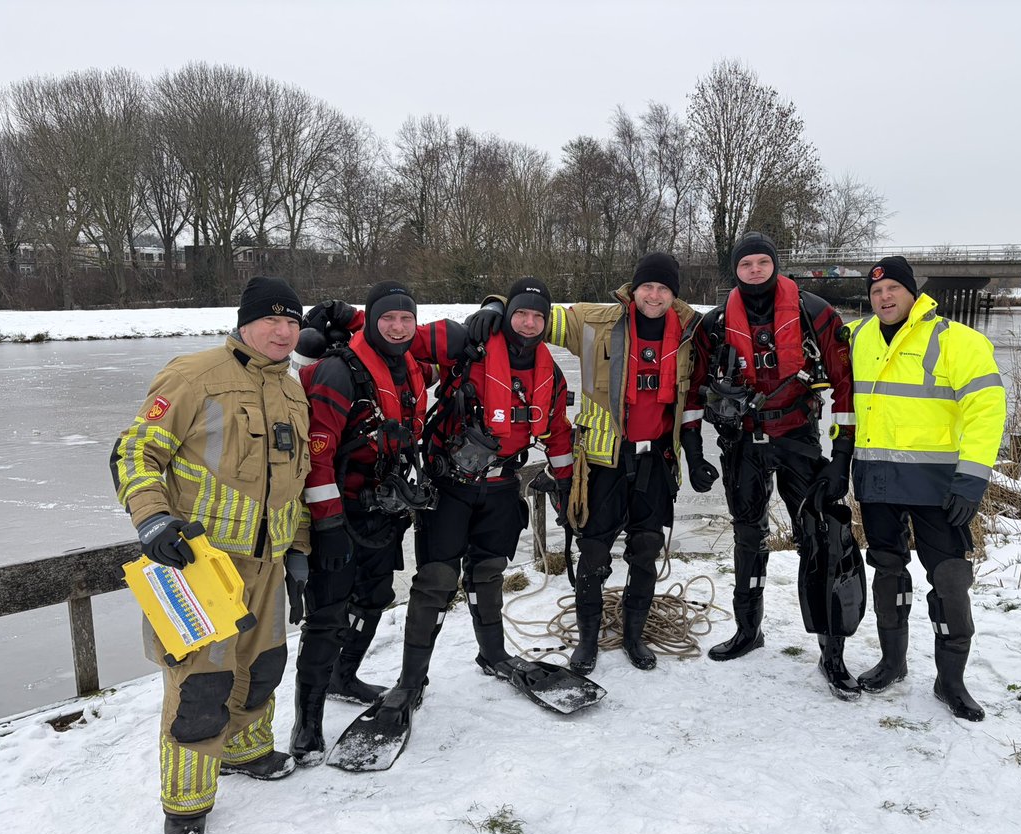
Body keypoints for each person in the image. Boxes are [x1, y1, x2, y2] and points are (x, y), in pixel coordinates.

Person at [110, 276, 310, 834]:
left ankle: (245, 751)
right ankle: (187, 804)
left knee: (265, 665)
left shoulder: (293, 390)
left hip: (267, 562)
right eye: (272, 321)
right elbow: (135, 450)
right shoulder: (194, 376)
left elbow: (289, 483)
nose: (283, 332)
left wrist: (297, 550)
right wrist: (152, 519)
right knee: (201, 686)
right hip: (198, 564)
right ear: (244, 323)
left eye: (292, 322)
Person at [467, 255, 714, 673]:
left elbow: (692, 397)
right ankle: (587, 642)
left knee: (646, 549)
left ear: (674, 295)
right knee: (594, 553)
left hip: (656, 458)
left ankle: (635, 637)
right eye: (647, 287)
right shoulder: (594, 321)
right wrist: (493, 306)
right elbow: (534, 314)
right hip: (602, 460)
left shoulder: (690, 333)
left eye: (663, 289)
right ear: (632, 290)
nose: (654, 296)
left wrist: (694, 455)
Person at [375, 278, 575, 721]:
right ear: (507, 315)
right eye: (520, 313)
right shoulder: (469, 344)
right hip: (451, 486)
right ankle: (411, 681)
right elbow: (393, 335)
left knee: (488, 572)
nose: (528, 323)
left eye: (537, 316)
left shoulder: (551, 374)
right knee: (436, 580)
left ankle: (493, 655)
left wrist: (564, 484)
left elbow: (558, 432)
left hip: (503, 487)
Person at [700, 232, 859, 699]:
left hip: (797, 439)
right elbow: (693, 388)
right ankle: (749, 630)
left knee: (818, 536)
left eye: (761, 263)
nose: (753, 270)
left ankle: (833, 653)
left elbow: (846, 387)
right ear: (736, 269)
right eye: (745, 264)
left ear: (775, 265)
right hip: (743, 443)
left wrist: (842, 456)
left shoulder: (816, 314)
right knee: (748, 536)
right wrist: (697, 439)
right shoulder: (714, 324)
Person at [850, 256, 1006, 721]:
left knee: (951, 581)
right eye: (876, 292)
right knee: (888, 573)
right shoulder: (856, 337)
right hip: (876, 480)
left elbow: (987, 410)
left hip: (939, 485)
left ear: (913, 293)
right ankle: (893, 663)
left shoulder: (957, 341)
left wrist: (973, 478)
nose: (884, 298)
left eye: (893, 289)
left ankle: (950, 680)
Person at [290, 282, 432, 765]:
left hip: (384, 511)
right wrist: (327, 524)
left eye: (405, 320)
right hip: (341, 512)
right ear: (371, 321)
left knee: (375, 598)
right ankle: (306, 724)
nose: (397, 327)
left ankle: (343, 676)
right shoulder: (338, 372)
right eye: (388, 319)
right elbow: (317, 454)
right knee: (327, 616)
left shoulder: (412, 367)